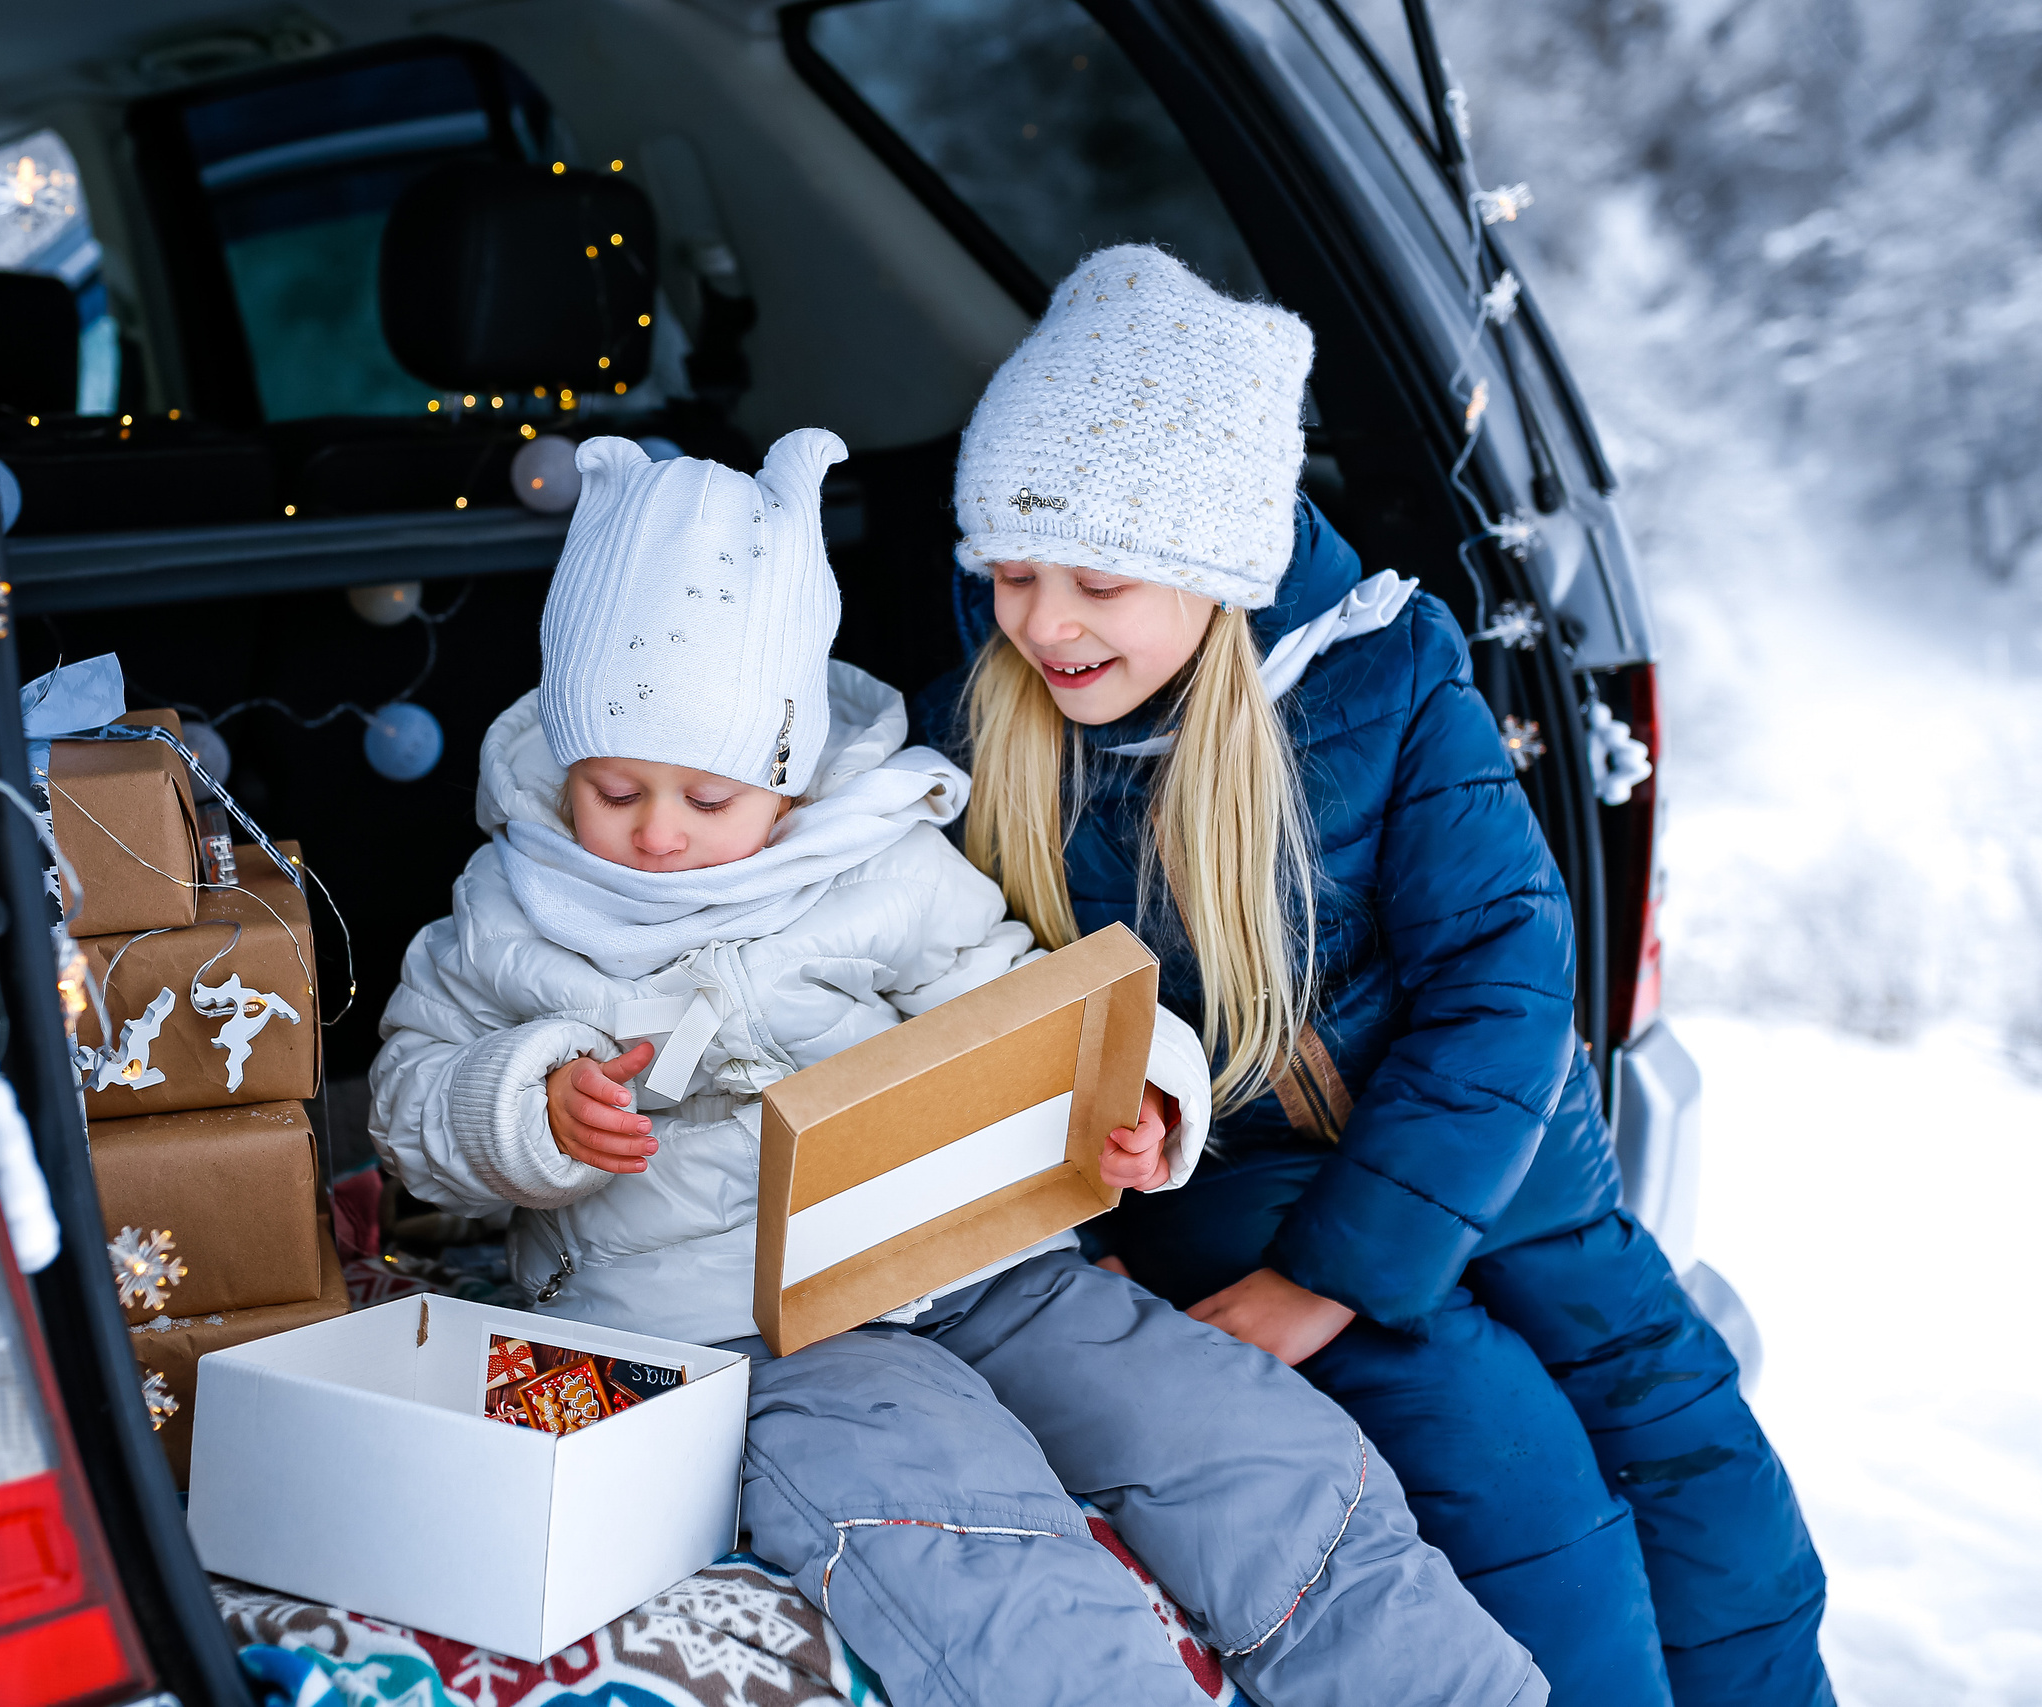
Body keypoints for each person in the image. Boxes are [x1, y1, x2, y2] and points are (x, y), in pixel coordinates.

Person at [370, 427, 1542, 1707]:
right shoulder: (513, 910)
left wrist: (1138, 1087)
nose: (656, 835)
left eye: (708, 802)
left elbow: (1012, 994)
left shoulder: (875, 860)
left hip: (976, 1262)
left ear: (791, 769)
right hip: (741, 1333)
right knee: (951, 1529)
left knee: (1242, 1445)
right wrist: (528, 1107)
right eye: (613, 789)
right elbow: (410, 1102)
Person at [920, 244, 1830, 1707]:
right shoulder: (997, 730)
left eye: (1099, 577)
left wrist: (1342, 1269)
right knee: (1519, 1493)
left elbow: (1507, 979)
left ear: (1220, 567)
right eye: (1012, 573)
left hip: (1509, 1159)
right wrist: (1264, 1250)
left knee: (1706, 1475)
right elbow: (980, 985)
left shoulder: (1389, 675)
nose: (1045, 621)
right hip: (1242, 1184)